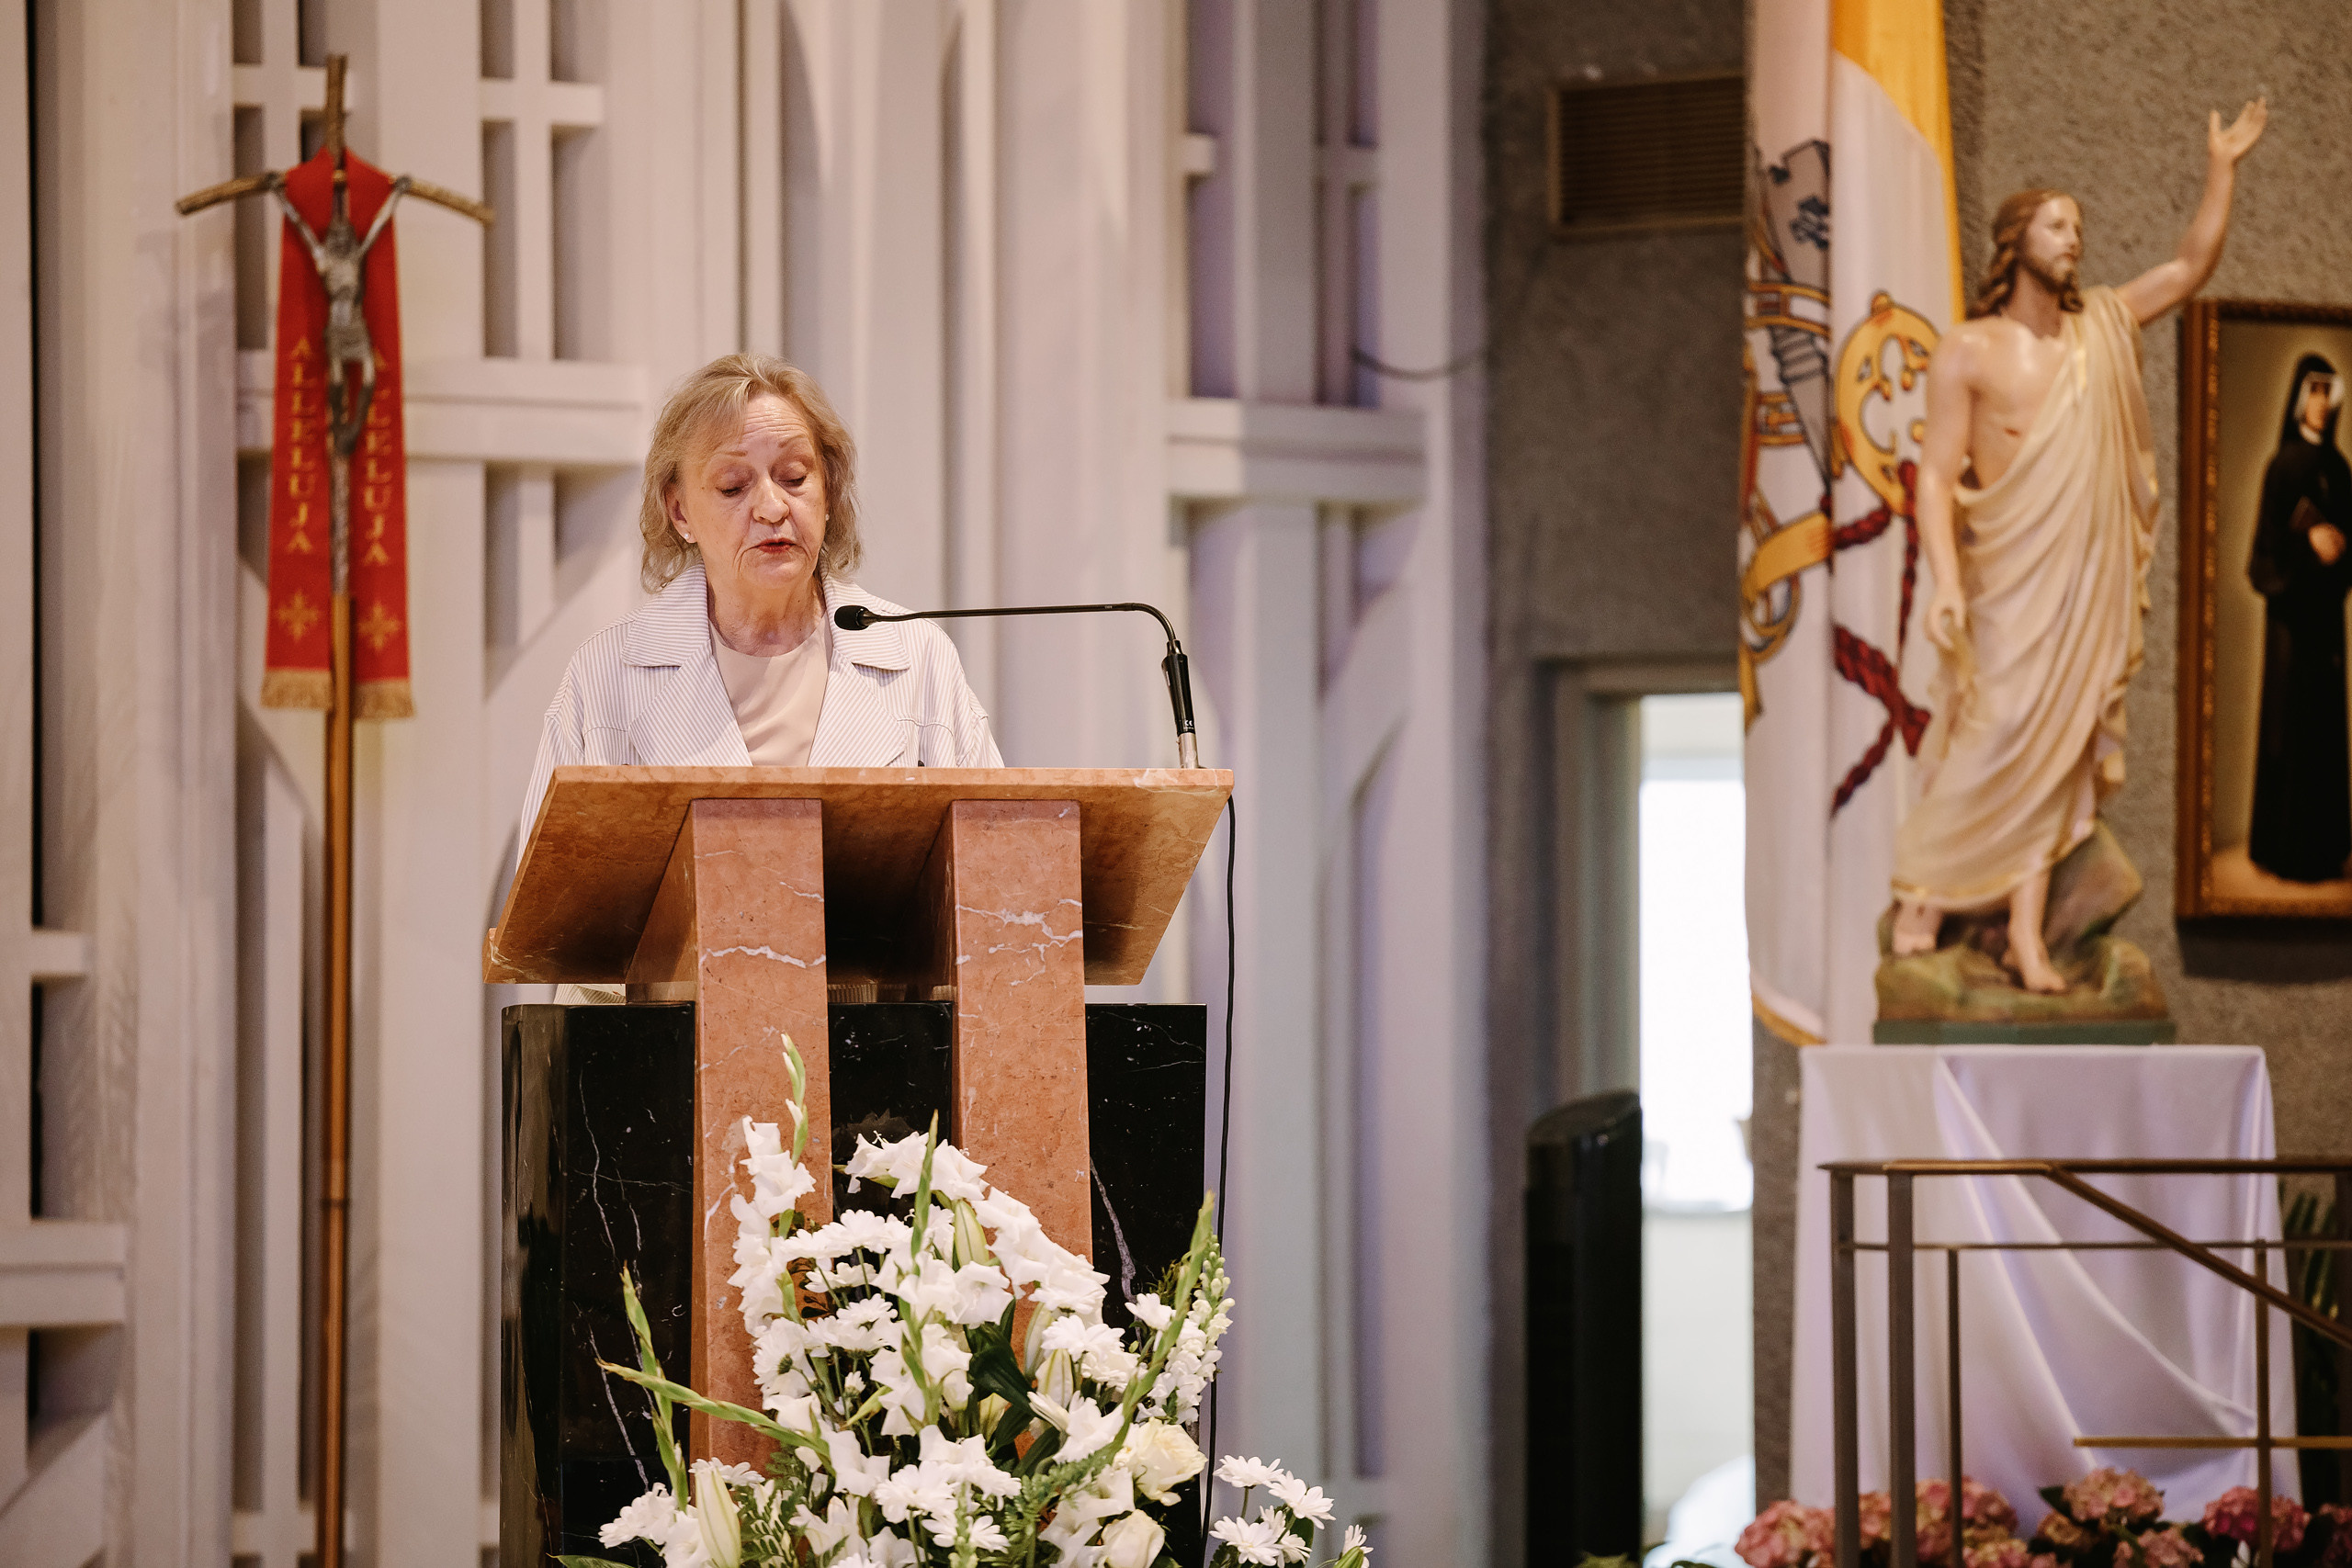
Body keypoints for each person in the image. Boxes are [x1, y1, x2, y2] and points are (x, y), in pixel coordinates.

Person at [1889, 100, 2267, 992]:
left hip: (2080, 578)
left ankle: (2025, 934)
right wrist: (1944, 581)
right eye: (2057, 225)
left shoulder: (2097, 328)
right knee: (1993, 729)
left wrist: (2221, 168)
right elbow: (1934, 478)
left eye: (2078, 229)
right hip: (2004, 577)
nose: (2073, 240)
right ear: (2013, 237)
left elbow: (2185, 267)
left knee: (2059, 756)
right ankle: (1924, 894)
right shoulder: (1968, 349)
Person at [521, 354, 1001, 845]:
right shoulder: (603, 676)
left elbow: (996, 865)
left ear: (828, 491)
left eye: (794, 477)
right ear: (680, 511)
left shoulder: (920, 658)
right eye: (733, 486)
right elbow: (545, 901)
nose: (772, 508)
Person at [2246, 354, 2352, 883]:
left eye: (2327, 394)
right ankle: (2283, 852)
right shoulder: (2281, 466)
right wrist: (2306, 543)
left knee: (2325, 729)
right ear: (2298, 399)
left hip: (2327, 621)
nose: (2320, 403)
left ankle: (2325, 850)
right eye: (2312, 392)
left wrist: (2339, 548)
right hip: (2292, 622)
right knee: (2290, 727)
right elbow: (2261, 557)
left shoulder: (2340, 471)